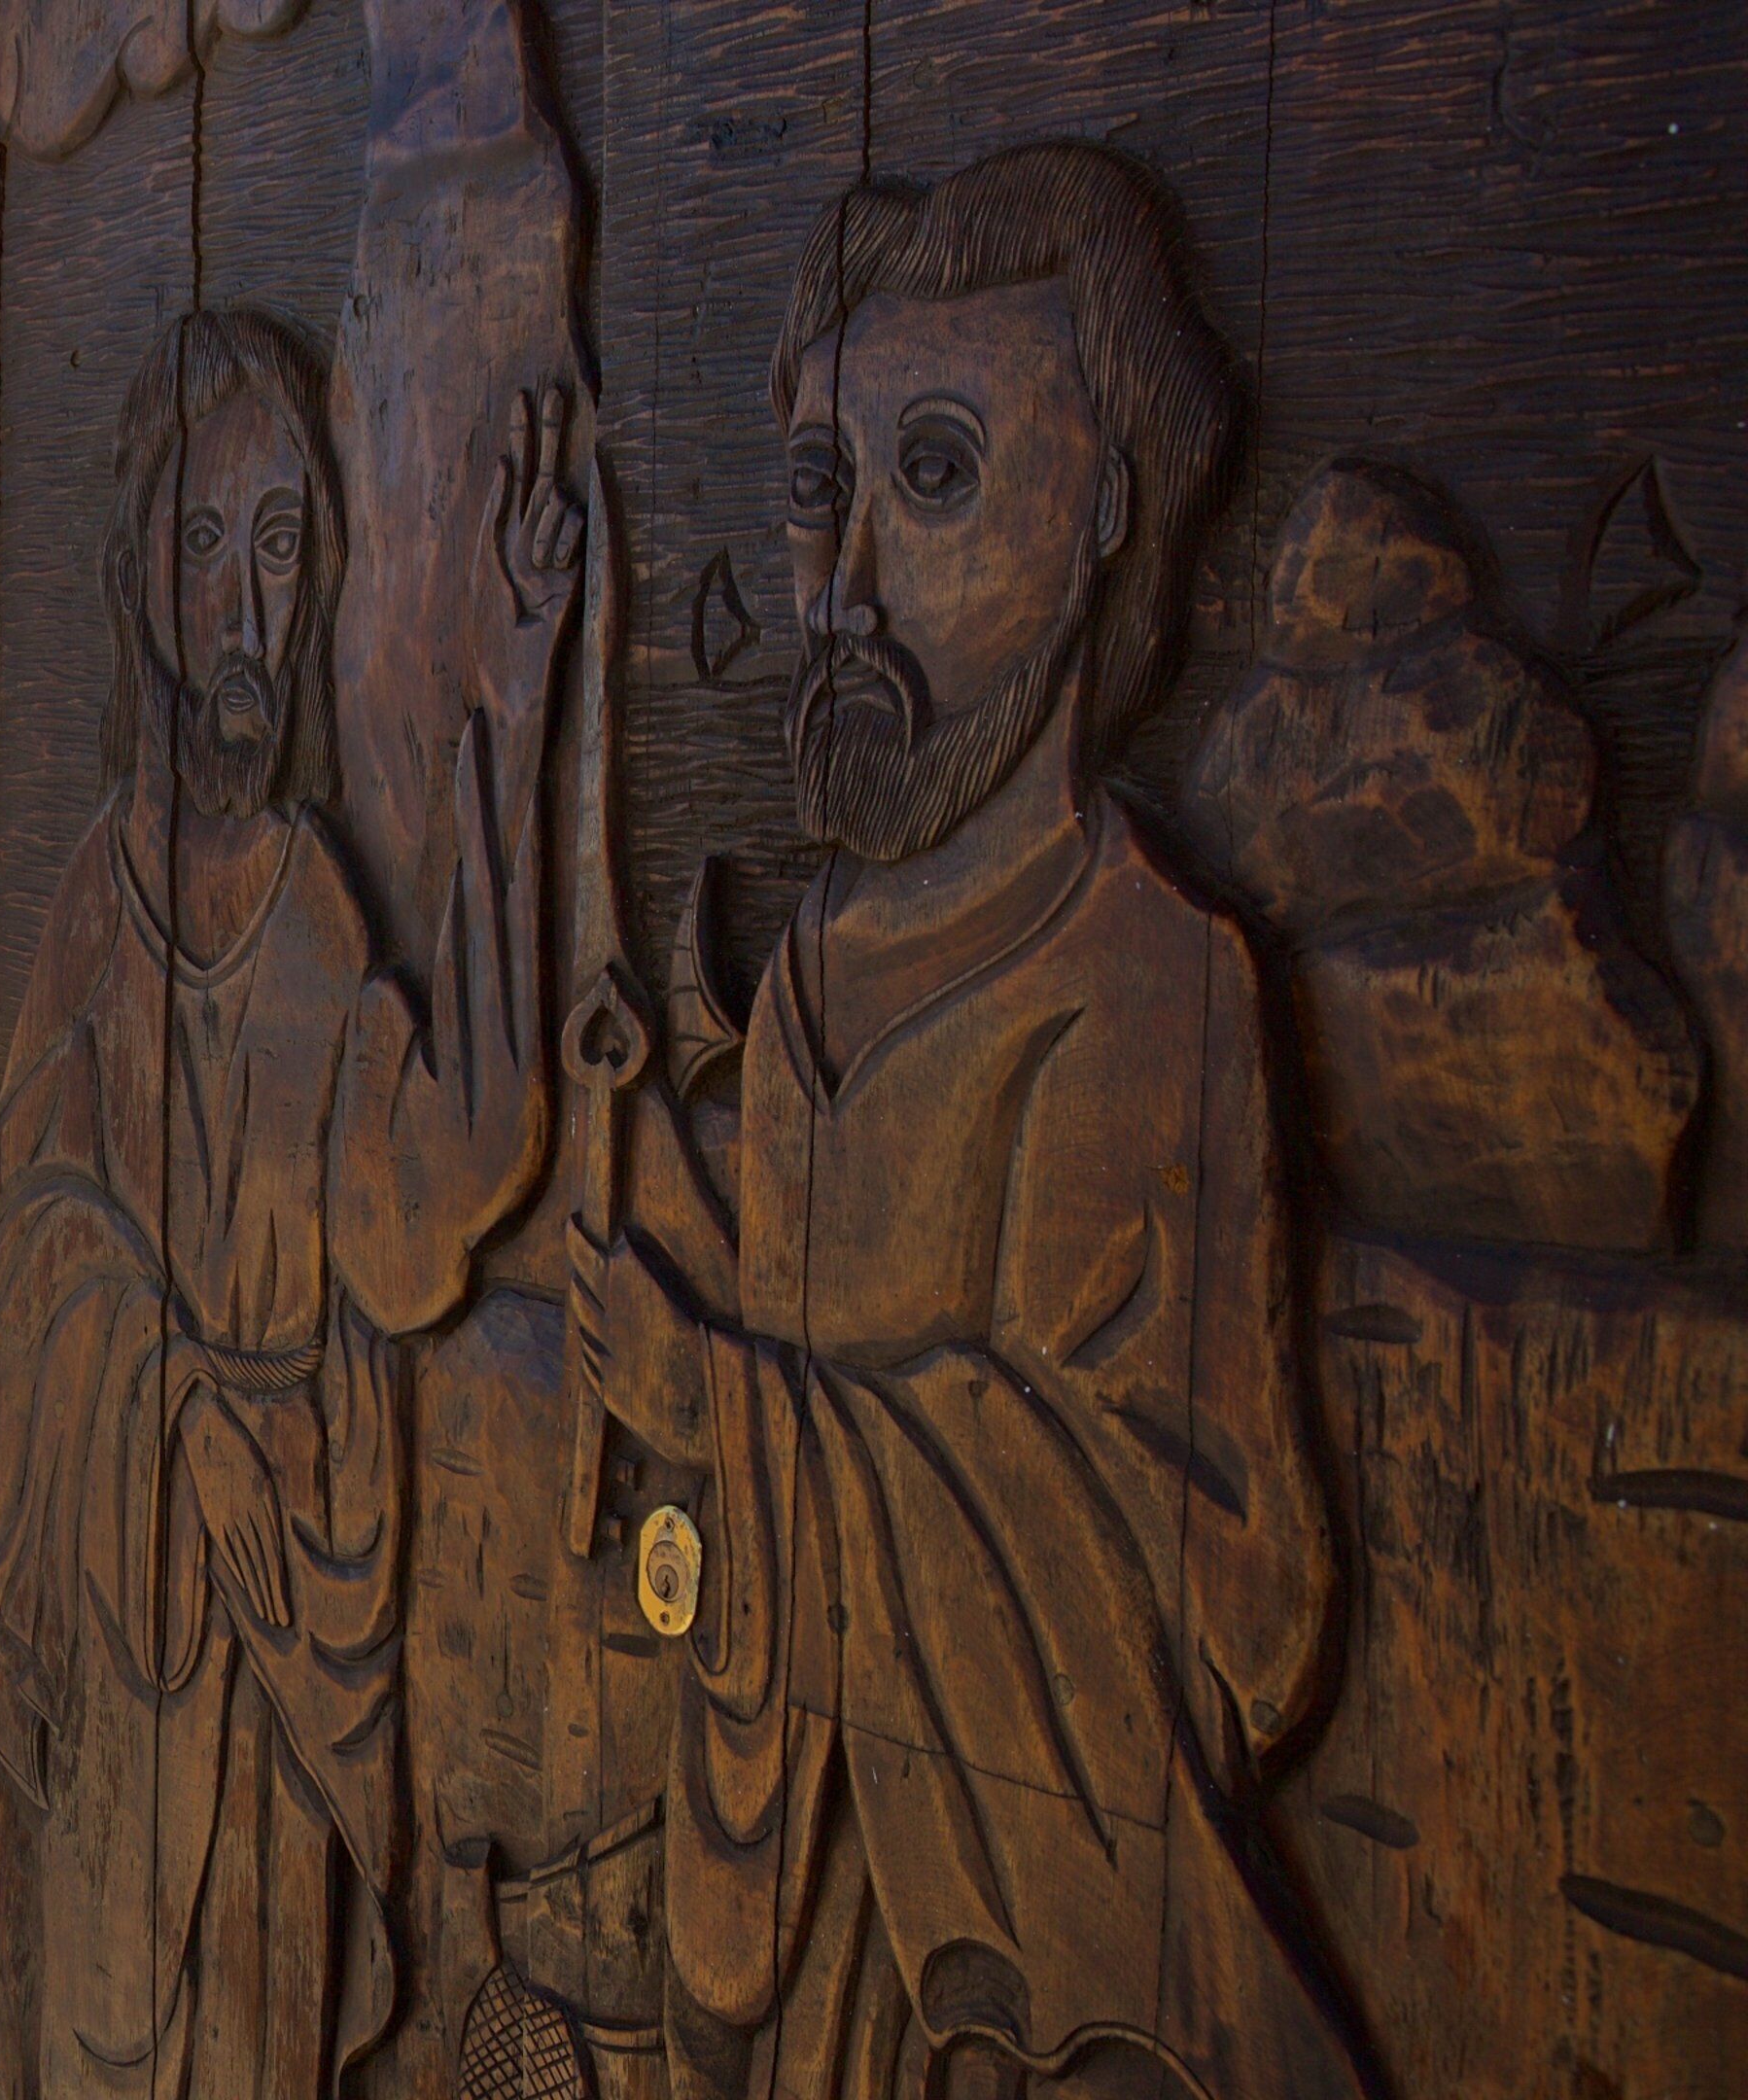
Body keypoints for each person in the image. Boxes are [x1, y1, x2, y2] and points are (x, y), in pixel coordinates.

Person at [567, 142, 1378, 2098]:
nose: (842, 584)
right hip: (806, 1954)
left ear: (1105, 507)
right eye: (821, 492)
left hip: (1028, 2002)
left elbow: (1237, 1606)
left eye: (934, 478)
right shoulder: (814, 994)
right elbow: (805, 1341)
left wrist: (725, 1413)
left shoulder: (1151, 982)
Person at [0, 304, 577, 2098]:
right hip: (132, 1599)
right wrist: (174, 1412)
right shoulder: (92, 908)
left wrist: (520, 711)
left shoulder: (314, 903)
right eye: (208, 546)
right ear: (140, 577)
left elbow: (424, 1217)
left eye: (286, 545)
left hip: (281, 1650)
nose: (250, 603)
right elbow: (31, 1254)